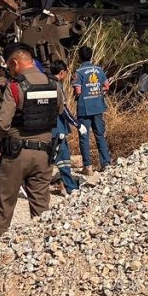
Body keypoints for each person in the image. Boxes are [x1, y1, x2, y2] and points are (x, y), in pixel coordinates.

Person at [0, 46, 64, 241]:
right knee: (41, 209)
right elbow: (60, 110)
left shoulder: (15, 86)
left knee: (4, 207)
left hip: (16, 154)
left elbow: (3, 123)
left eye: (9, 66)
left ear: (14, 63)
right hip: (44, 154)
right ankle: (43, 254)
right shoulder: (54, 84)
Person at [74, 45, 112, 175]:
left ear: (80, 57)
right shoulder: (98, 70)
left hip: (84, 109)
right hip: (98, 106)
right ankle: (106, 163)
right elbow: (107, 86)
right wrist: (98, 92)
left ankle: (88, 166)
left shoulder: (79, 72)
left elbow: (78, 91)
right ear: (91, 55)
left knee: (84, 136)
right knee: (100, 135)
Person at [50, 59, 85, 194]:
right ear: (62, 72)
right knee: (63, 157)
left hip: (47, 127)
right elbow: (63, 110)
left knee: (50, 157)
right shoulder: (57, 85)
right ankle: (70, 187)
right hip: (57, 127)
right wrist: (76, 124)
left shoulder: (46, 83)